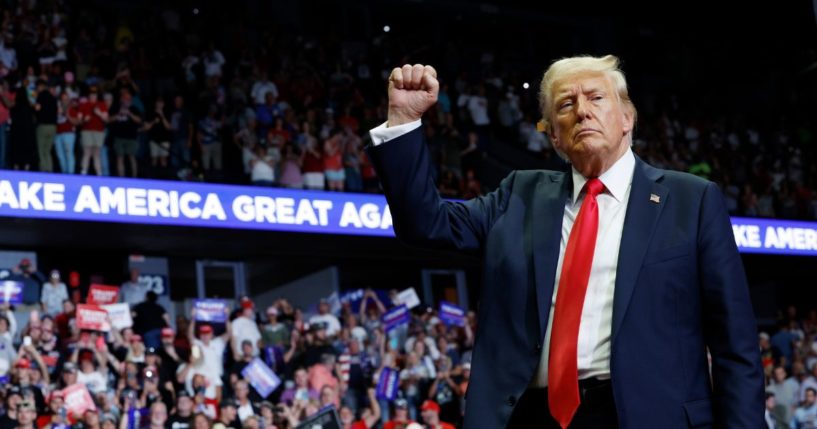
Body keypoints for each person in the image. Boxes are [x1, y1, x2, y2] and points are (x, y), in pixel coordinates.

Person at [365, 57, 763, 428]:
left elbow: (735, 346)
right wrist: (402, 120)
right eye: (566, 104)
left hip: (643, 415)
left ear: (627, 118)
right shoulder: (518, 195)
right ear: (554, 135)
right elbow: (426, 224)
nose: (582, 111)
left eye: (595, 97)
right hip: (529, 416)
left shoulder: (690, 201)